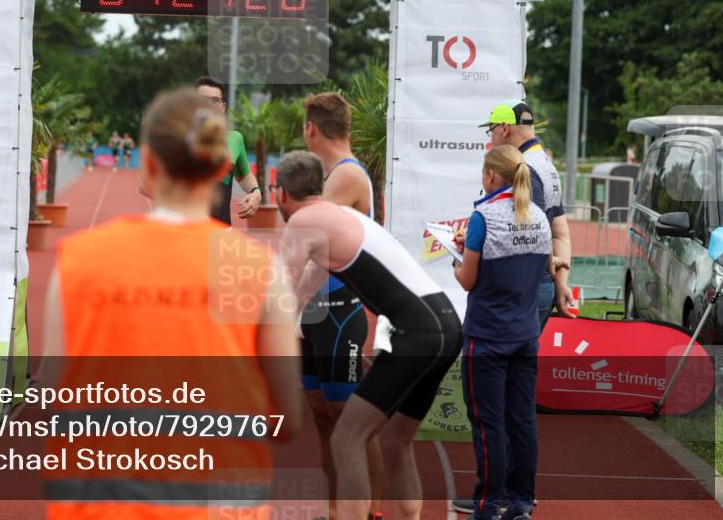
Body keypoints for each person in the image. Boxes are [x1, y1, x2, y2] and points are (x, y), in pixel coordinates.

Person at [42, 88, 301, 520]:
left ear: (146, 163)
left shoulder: (77, 260)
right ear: (221, 166)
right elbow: (287, 419)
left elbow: (54, 393)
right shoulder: (261, 268)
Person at [274, 151, 463, 520]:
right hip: (447, 325)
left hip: (419, 334)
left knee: (347, 438)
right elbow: (300, 294)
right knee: (395, 443)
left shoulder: (304, 222)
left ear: (280, 193)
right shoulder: (341, 217)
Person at [451, 146, 553, 520]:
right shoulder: (539, 216)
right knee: (522, 419)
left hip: (487, 337)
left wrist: (458, 257)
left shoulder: (483, 217)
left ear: (492, 176)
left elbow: (468, 280)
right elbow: (535, 269)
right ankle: (522, 502)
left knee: (488, 423)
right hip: (526, 334)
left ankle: (489, 504)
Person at [300, 92, 385, 520]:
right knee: (321, 416)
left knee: (350, 423)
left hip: (339, 309)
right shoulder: (328, 173)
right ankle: (335, 508)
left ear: (311, 129)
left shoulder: (347, 175)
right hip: (313, 312)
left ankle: (369, 511)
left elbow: (314, 242)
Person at [478, 102, 575, 331]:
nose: (491, 138)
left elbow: (534, 233)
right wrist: (560, 283)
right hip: (541, 287)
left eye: (490, 130)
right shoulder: (545, 164)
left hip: (521, 288)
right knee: (522, 362)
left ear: (504, 128)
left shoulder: (524, 169)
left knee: (497, 362)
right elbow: (560, 234)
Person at [195, 76, 262, 224]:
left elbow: (244, 176)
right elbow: (147, 187)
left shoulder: (234, 138)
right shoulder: (177, 138)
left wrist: (256, 192)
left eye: (215, 101)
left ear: (223, 107)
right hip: (186, 233)